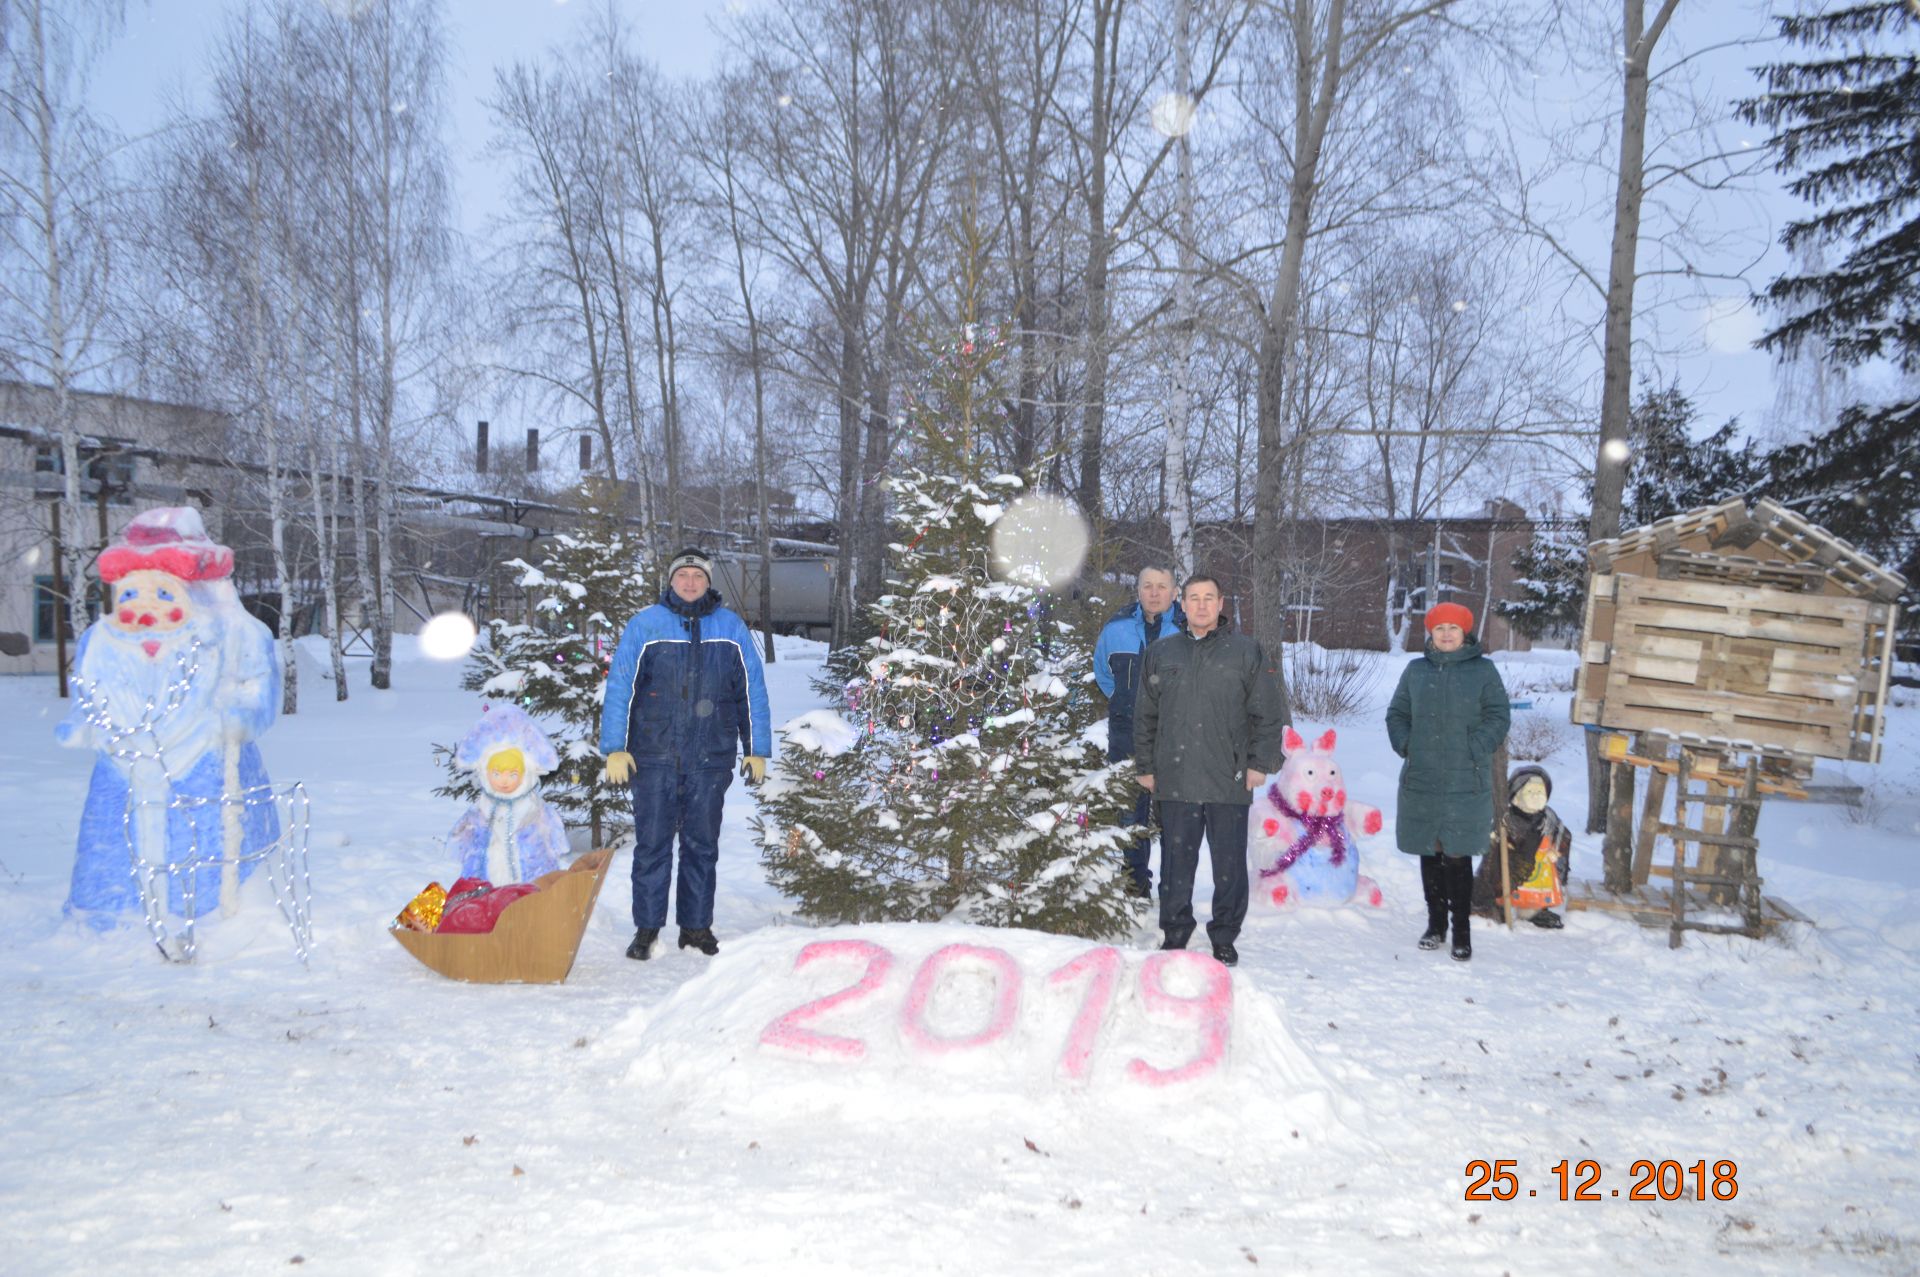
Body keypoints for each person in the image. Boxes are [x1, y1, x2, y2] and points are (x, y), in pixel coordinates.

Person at [601, 548, 770, 961]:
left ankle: (696, 927)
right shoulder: (646, 625)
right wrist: (615, 748)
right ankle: (647, 928)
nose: (690, 582)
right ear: (671, 580)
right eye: (683, 575)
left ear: (708, 582)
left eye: (698, 575)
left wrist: (757, 749)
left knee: (701, 845)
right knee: (652, 844)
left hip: (710, 757)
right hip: (653, 754)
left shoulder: (730, 628)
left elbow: (751, 691)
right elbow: (621, 687)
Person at [1133, 574, 1289, 968]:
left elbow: (1268, 713)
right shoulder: (1162, 653)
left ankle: (1224, 935)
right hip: (1176, 777)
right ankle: (1175, 931)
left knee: (1229, 865)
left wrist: (1259, 763)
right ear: (1180, 605)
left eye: (1209, 598)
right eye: (1193, 598)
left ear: (1221, 604)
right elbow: (1145, 717)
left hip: (1229, 777)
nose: (1201, 605)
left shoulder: (1246, 652)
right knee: (1176, 862)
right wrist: (1147, 767)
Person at [1385, 601, 1512, 962]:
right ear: (1431, 632)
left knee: (1457, 855)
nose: (1445, 634)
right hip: (1423, 774)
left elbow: (1498, 715)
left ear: (1465, 633)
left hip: (1464, 777)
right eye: (1439, 628)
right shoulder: (1415, 670)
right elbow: (1397, 714)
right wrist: (1407, 743)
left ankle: (1461, 932)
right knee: (1430, 849)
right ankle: (1435, 924)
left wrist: (1477, 746)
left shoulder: (1483, 671)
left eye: (1452, 629)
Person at [1092, 566, 1183, 899]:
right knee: (1131, 815)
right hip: (1127, 738)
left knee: (1175, 819)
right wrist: (1127, 705)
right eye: (1147, 586)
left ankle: (1173, 891)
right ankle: (1134, 887)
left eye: (1162, 586)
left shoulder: (1188, 630)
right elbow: (1104, 676)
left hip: (1177, 741)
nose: (1154, 593)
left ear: (1175, 592)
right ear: (1138, 590)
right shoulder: (1115, 630)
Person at [1473, 764, 1571, 929]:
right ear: (1516, 797)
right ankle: (1499, 903)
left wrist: (1556, 850)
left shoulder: (1549, 819)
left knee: (1537, 893)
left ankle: (1533, 911)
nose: (1536, 796)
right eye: (1530, 792)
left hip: (1540, 870)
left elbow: (1564, 836)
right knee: (1498, 877)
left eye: (1540, 792)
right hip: (1511, 871)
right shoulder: (1507, 818)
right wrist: (1495, 838)